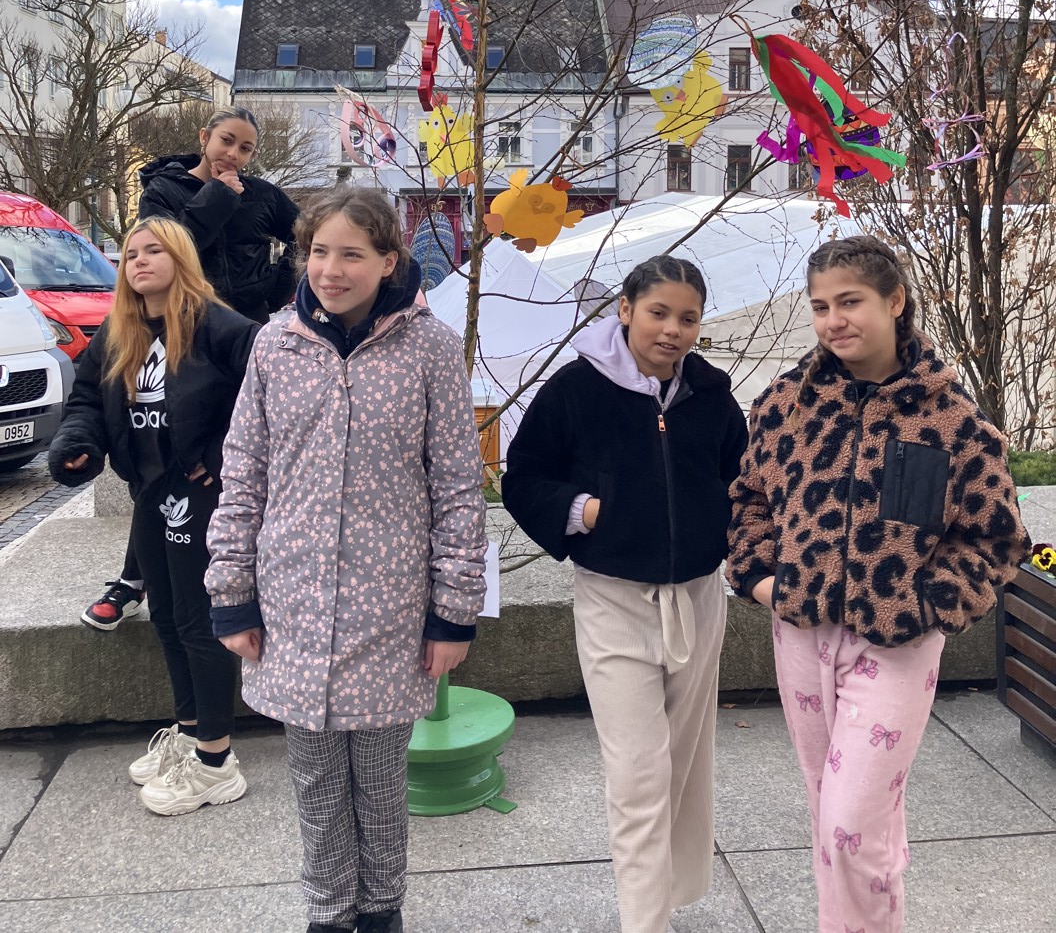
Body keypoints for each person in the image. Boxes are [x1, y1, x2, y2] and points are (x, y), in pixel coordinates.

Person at [726, 235, 1031, 933]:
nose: (834, 320)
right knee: (830, 813)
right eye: (820, 306)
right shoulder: (785, 405)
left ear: (895, 301)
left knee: (850, 825)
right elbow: (747, 502)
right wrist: (766, 581)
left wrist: (927, 605)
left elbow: (996, 538)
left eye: (851, 301)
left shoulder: (953, 420)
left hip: (896, 648)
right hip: (800, 636)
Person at [205, 186, 487, 933]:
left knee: (382, 785)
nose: (331, 270)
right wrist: (231, 592)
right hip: (293, 605)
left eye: (351, 254)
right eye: (319, 252)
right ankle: (328, 913)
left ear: (388, 260)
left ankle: (382, 910)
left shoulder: (428, 348)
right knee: (316, 783)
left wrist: (453, 612)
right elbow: (245, 474)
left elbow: (458, 485)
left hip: (389, 610)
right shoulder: (275, 345)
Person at [502, 256, 748, 933]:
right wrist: (586, 512)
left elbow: (744, 482)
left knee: (684, 764)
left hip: (698, 597)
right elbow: (522, 477)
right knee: (638, 772)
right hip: (613, 600)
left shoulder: (711, 394)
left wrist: (730, 539)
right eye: (658, 313)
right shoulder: (575, 390)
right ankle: (645, 922)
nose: (672, 330)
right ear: (626, 309)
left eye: (687, 318)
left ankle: (668, 894)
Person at [49, 218, 260, 814]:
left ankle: (216, 762)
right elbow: (88, 399)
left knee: (198, 620)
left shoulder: (220, 326)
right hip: (148, 488)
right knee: (165, 616)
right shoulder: (119, 331)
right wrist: (77, 444)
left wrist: (219, 458)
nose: (138, 261)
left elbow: (263, 395)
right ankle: (190, 735)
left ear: (181, 258)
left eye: (153, 251)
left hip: (200, 492)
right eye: (131, 254)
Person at [81, 106, 299, 632]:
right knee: (161, 456)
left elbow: (304, 235)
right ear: (204, 137)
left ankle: (242, 569)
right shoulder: (163, 191)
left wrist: (277, 284)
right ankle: (135, 577)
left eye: (245, 148)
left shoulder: (263, 195)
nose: (234, 154)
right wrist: (220, 195)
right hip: (179, 335)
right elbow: (172, 251)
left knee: (232, 458)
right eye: (226, 141)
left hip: (239, 334)